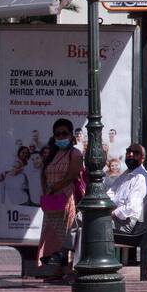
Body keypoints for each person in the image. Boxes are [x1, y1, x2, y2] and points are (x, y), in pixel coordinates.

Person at [37, 118, 84, 276]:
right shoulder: (52, 154)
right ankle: (54, 271)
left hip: (67, 199)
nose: (61, 136)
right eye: (58, 134)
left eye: (64, 133)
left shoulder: (75, 154)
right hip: (51, 201)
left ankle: (67, 271)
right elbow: (44, 174)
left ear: (71, 135)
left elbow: (72, 175)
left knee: (66, 236)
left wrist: (55, 187)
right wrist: (46, 190)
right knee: (50, 236)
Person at [104, 144, 147, 235]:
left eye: (135, 153)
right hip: (117, 217)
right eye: (128, 151)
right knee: (83, 217)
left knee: (91, 222)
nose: (130, 154)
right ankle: (73, 247)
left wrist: (111, 213)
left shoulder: (141, 178)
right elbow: (111, 192)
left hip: (128, 222)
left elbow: (132, 207)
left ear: (142, 158)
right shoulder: (127, 173)